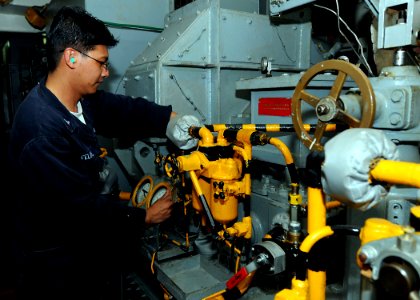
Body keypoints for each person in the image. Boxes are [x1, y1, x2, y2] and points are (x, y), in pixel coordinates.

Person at [8, 6, 201, 300]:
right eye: (101, 63)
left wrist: (169, 119)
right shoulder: (41, 130)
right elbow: (81, 212)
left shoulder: (77, 100)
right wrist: (145, 217)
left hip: (82, 249)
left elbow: (122, 109)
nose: (106, 72)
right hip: (56, 265)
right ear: (72, 57)